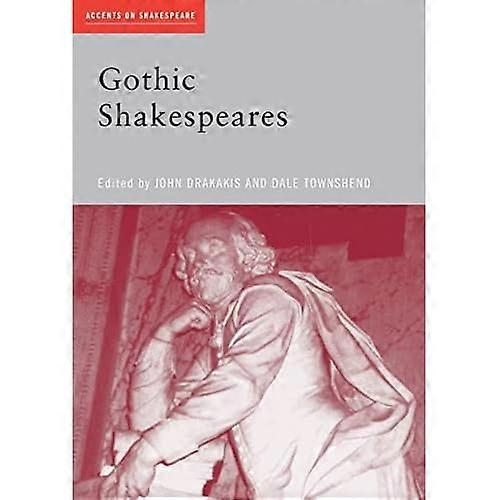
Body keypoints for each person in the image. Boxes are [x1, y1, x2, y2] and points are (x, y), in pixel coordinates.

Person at [100, 212, 421, 499]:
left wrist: (148, 451)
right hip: (302, 481)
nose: (198, 262)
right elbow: (152, 423)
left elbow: (240, 385)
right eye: (189, 256)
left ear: (247, 255)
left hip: (340, 467)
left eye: (213, 248)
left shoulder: (269, 295)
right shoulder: (222, 345)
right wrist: (162, 337)